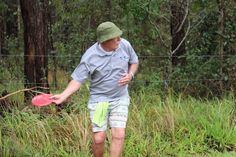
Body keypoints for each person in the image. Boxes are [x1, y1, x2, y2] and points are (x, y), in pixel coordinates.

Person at [51, 21, 139, 157]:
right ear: (105, 40)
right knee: (99, 139)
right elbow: (78, 80)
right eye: (115, 37)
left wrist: (130, 75)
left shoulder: (124, 45)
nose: (119, 39)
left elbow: (134, 62)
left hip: (120, 98)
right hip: (99, 101)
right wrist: (63, 96)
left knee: (119, 135)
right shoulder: (90, 56)